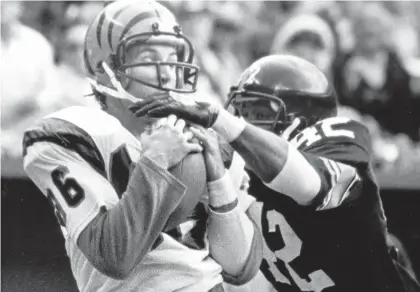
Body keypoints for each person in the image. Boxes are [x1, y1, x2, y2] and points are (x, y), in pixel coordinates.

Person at [22, 1, 262, 291]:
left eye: (173, 56)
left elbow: (240, 266)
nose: (167, 72)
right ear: (106, 67)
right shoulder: (73, 135)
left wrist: (220, 183)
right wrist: (156, 162)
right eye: (149, 57)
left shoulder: (208, 135)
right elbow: (115, 256)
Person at [131, 54, 420, 292]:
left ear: (300, 119)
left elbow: (309, 185)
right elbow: (234, 268)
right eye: (239, 111)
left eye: (257, 113)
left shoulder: (339, 139)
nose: (243, 122)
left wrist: (223, 122)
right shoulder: (236, 170)